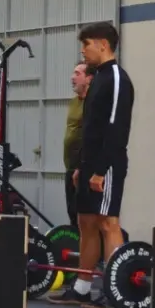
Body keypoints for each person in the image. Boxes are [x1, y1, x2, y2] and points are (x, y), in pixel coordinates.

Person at [50, 22, 134, 308]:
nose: (83, 50)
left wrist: (100, 169)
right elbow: (91, 127)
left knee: (108, 223)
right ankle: (83, 289)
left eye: (86, 45)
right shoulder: (97, 78)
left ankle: (116, 289)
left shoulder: (116, 78)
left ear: (103, 44)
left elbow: (116, 128)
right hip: (88, 164)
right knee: (85, 223)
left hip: (107, 164)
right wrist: (81, 167)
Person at [63, 61, 94, 227]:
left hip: (82, 167)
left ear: (89, 78)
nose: (72, 77)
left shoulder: (92, 102)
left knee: (85, 216)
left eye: (77, 74)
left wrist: (81, 167)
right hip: (70, 166)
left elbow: (90, 135)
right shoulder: (74, 102)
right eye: (73, 73)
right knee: (72, 212)